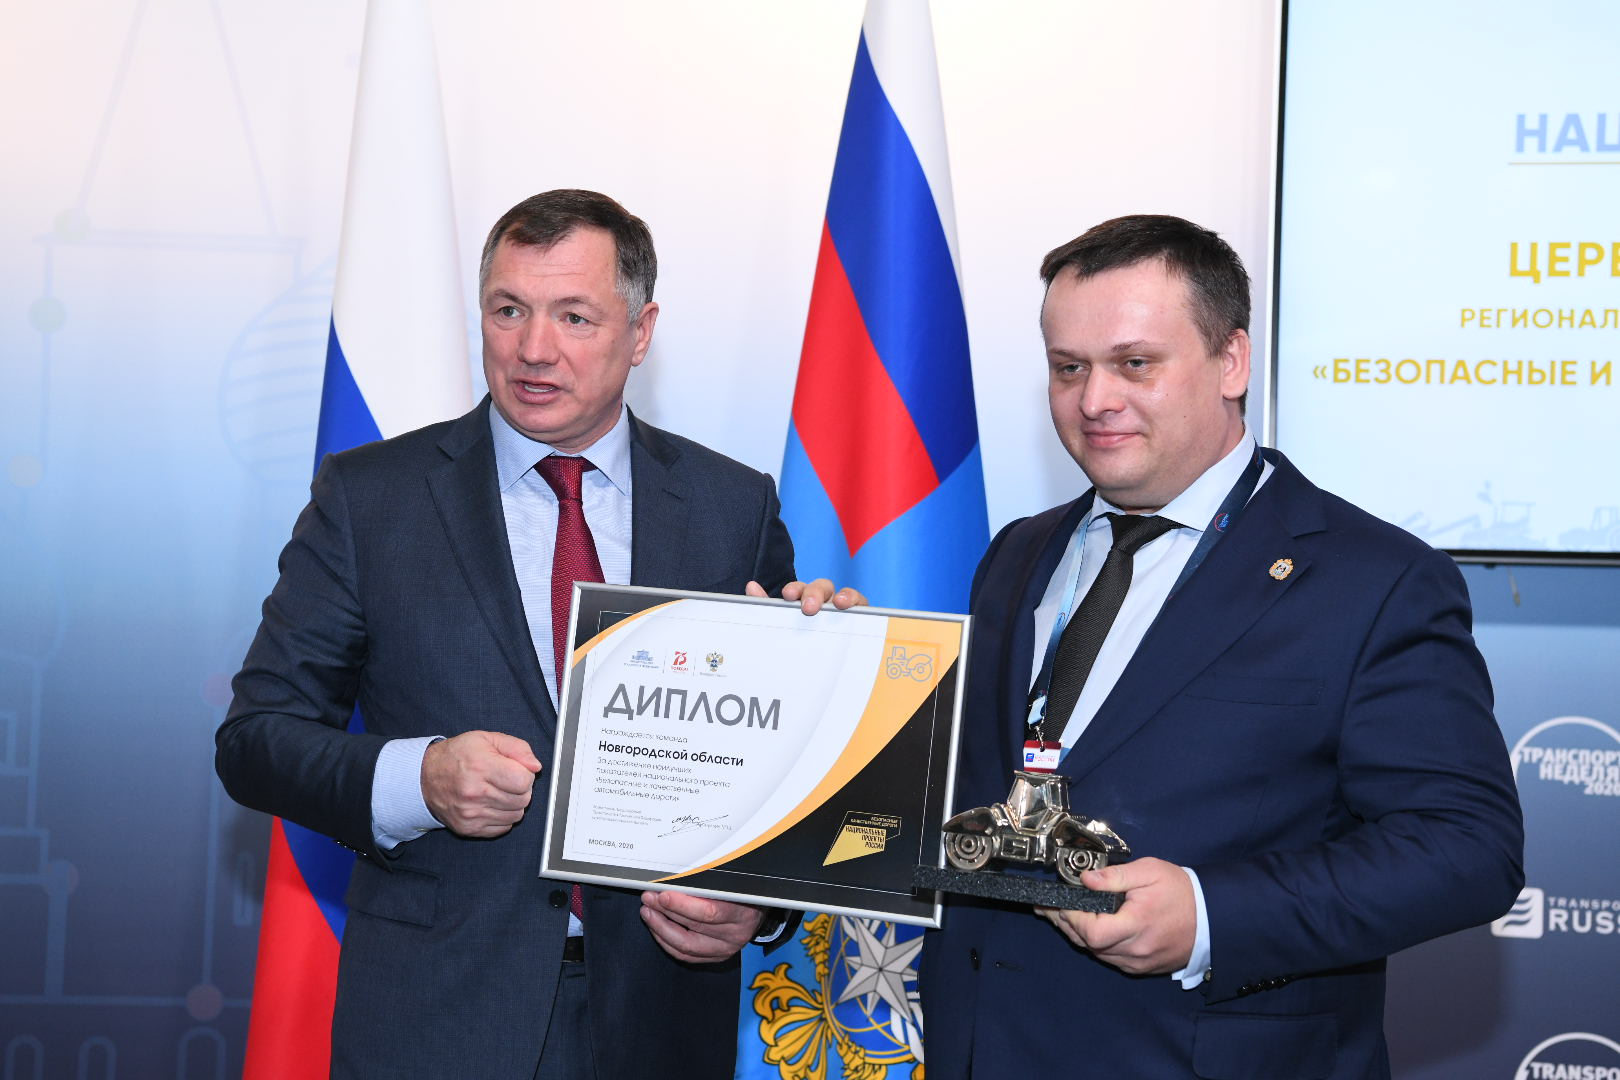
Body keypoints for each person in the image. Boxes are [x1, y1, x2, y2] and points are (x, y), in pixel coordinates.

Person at [217, 189, 856, 1079]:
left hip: (660, 1023)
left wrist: (762, 906)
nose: (533, 348)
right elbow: (256, 742)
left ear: (641, 332)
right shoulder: (372, 499)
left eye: (574, 316)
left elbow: (774, 772)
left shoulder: (730, 505)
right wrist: (419, 778)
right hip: (437, 1021)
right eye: (508, 310)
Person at [918, 214, 1523, 1078]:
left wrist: (1212, 915)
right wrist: (832, 660)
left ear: (1232, 361)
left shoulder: (1375, 579)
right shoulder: (1016, 553)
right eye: (1068, 367)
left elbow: (1466, 849)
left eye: (1135, 363)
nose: (1095, 400)